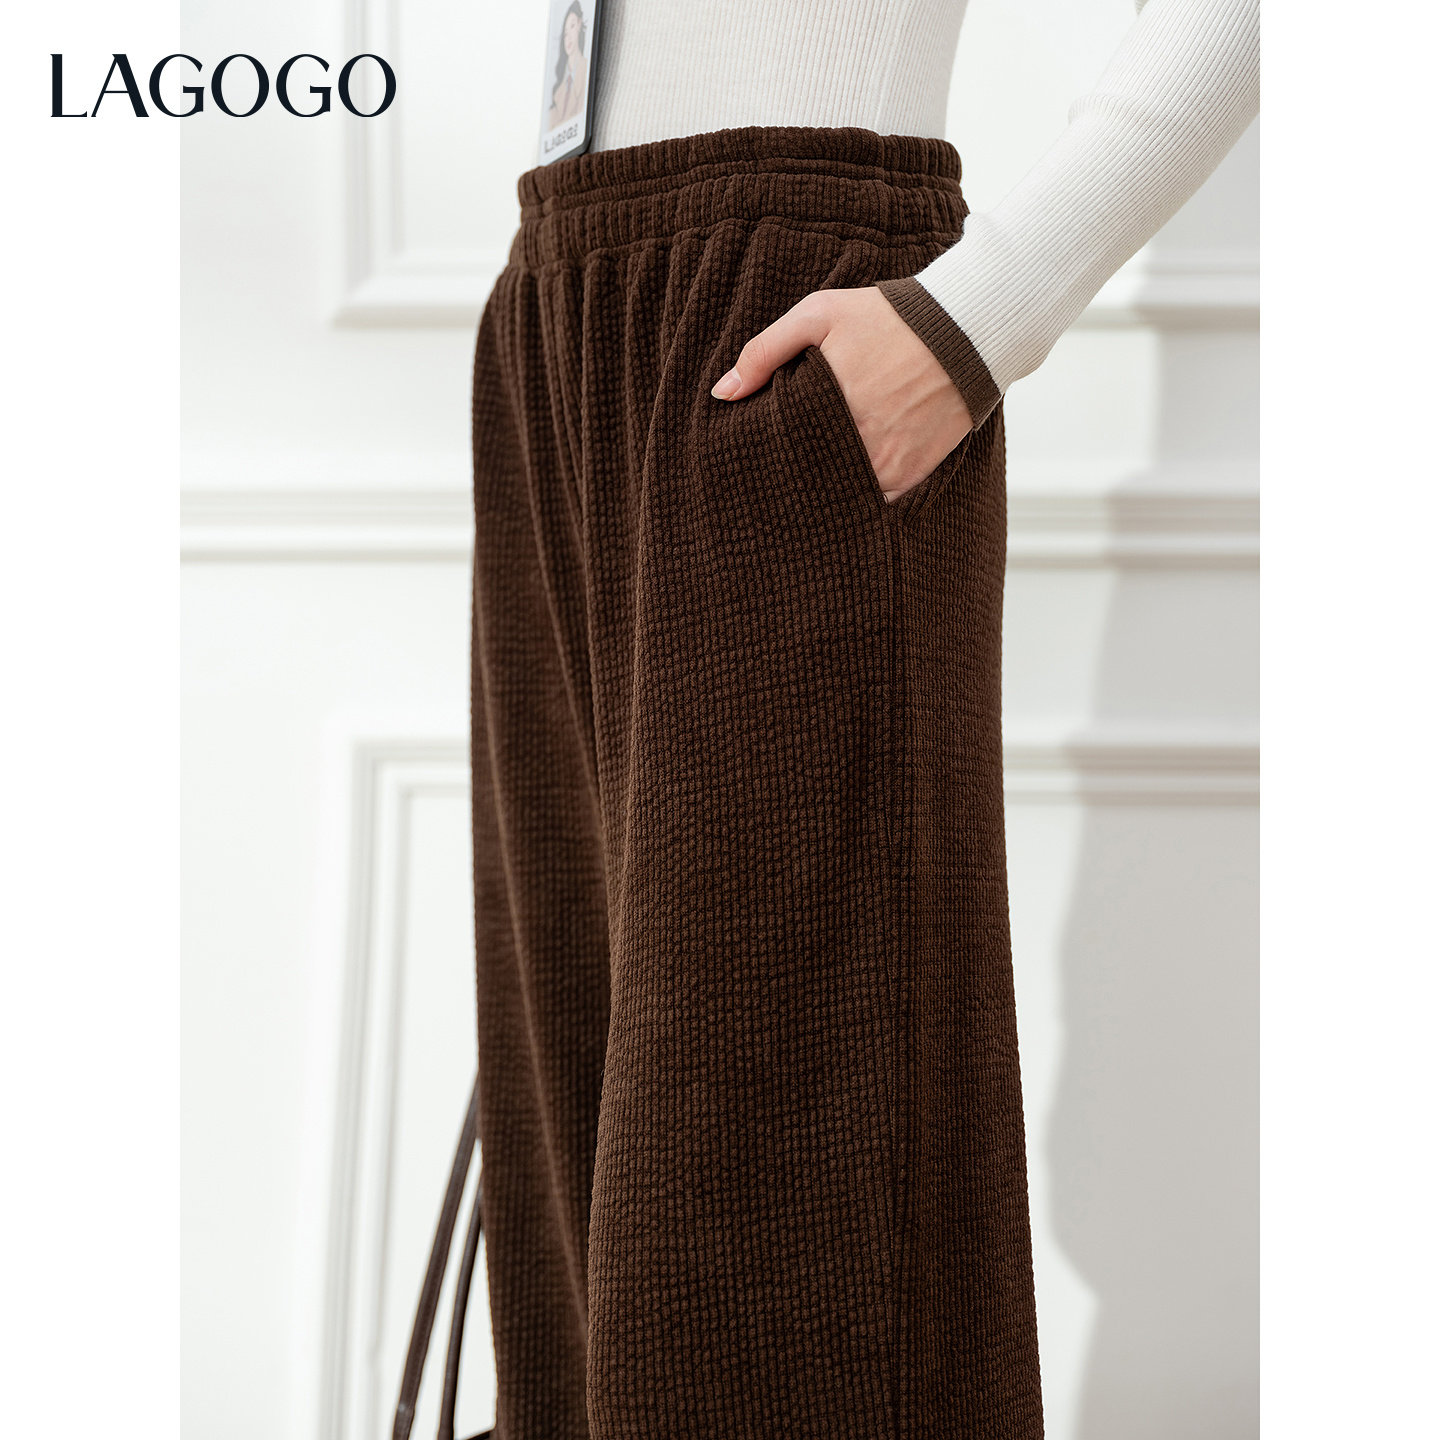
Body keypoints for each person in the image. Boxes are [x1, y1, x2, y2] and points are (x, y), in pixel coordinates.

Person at [406, 2, 1260, 1436]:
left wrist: (983, 316)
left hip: (774, 306)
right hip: (561, 302)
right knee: (577, 1270)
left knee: (773, 1221)